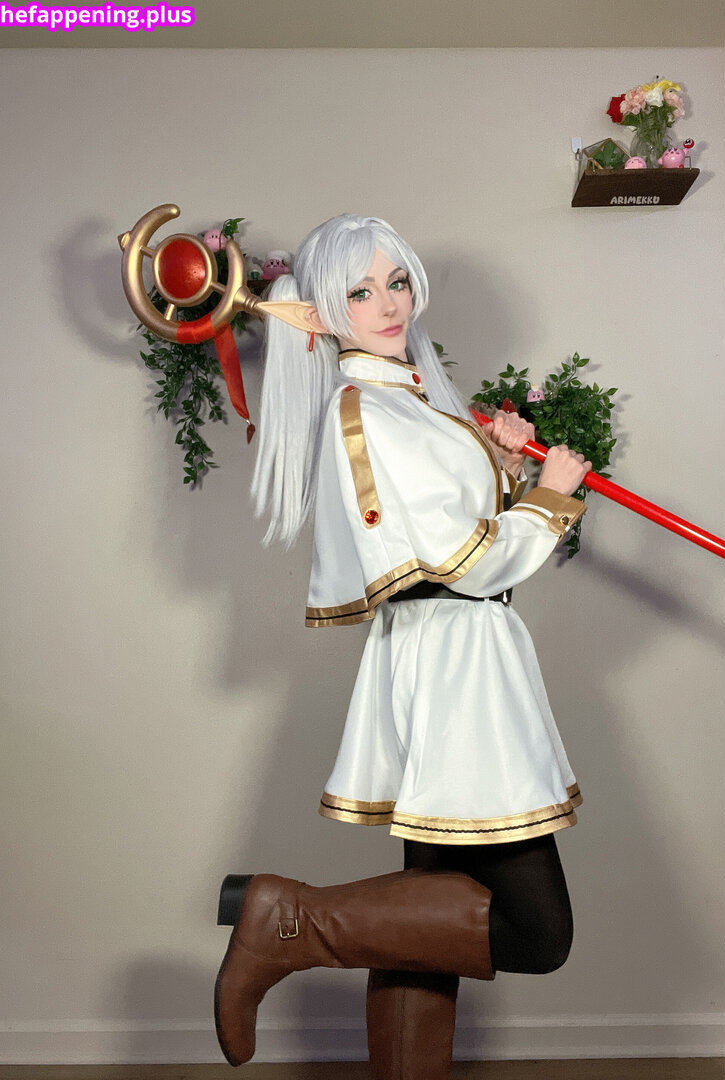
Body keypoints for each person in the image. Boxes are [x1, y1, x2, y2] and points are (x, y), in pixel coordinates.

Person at [215, 215, 592, 1076]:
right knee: (539, 933)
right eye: (360, 291)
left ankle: (293, 929)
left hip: (459, 654)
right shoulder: (368, 409)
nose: (388, 305)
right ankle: (285, 919)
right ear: (322, 313)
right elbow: (463, 562)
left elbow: (449, 531)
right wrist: (553, 497)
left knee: (425, 921)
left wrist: (503, 469)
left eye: (396, 282)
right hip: (457, 670)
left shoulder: (406, 400)